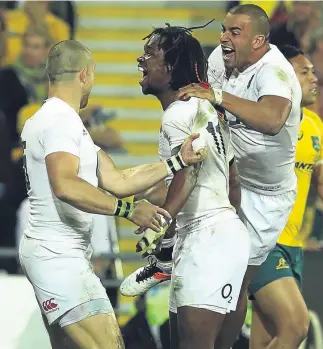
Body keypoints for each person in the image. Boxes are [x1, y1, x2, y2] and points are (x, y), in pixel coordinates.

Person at [121, 4, 302, 349]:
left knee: (241, 283)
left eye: (235, 32)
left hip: (265, 194)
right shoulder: (207, 80)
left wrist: (160, 219)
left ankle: (166, 253)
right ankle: (167, 254)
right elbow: (215, 174)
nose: (223, 37)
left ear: (259, 40)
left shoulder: (274, 71)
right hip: (224, 196)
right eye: (223, 29)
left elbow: (272, 118)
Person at [18, 39, 204, 349]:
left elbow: (117, 179)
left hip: (55, 254)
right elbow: (64, 185)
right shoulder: (59, 121)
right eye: (93, 75)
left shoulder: (59, 122)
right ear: (83, 75)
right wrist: (130, 210)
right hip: (56, 257)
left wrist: (177, 161)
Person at [122, 22, 251, 349]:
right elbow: (230, 181)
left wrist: (161, 223)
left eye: (149, 54)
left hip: (206, 242)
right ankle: (164, 263)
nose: (141, 59)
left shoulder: (178, 114)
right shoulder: (205, 110)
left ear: (169, 67)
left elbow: (189, 174)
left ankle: (161, 262)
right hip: (219, 237)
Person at [237, 45, 323, 349]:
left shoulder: (314, 126)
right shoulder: (263, 126)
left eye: (313, 71)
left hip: (294, 247)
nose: (313, 77)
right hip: (263, 242)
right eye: (303, 72)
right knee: (296, 325)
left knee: (267, 339)